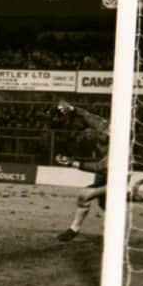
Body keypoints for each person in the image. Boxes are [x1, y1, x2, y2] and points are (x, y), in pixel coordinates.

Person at [53, 99, 111, 242]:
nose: (89, 132)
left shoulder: (118, 148)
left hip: (117, 176)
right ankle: (113, 229)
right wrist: (71, 108)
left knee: (85, 195)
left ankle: (74, 229)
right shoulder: (102, 126)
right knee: (103, 203)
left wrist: (72, 163)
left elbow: (100, 167)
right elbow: (85, 114)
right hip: (104, 174)